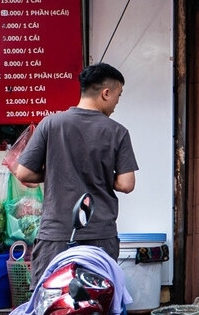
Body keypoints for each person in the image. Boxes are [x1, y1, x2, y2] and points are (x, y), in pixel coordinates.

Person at [15, 63, 138, 278]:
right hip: (99, 235)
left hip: (56, 235)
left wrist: (55, 172)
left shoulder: (50, 124)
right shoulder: (118, 132)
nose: (117, 103)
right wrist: (102, 175)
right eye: (118, 96)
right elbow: (126, 184)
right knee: (97, 301)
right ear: (106, 93)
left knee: (51, 302)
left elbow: (23, 174)